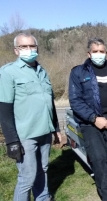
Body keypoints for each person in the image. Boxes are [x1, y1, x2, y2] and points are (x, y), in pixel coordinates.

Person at [0, 33, 61, 201]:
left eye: (32, 46)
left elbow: (50, 102)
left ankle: (42, 198)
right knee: (27, 177)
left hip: (45, 131)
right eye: (23, 47)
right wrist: (12, 141)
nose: (29, 50)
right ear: (16, 50)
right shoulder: (8, 72)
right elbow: (4, 110)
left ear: (37, 48)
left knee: (43, 169)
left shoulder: (43, 72)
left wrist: (56, 128)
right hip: (25, 134)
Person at [68, 38, 107, 201]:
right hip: (91, 124)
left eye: (102, 51)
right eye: (95, 51)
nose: (99, 54)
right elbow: (75, 101)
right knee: (99, 161)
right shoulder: (78, 72)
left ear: (106, 53)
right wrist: (94, 119)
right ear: (89, 53)